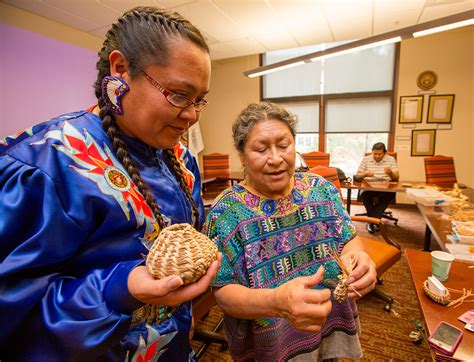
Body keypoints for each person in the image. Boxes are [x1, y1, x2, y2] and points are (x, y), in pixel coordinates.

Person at [0, 6, 222, 361]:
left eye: (200, 100)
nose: (193, 115)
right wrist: (120, 288)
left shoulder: (182, 160)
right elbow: (12, 319)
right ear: (121, 70)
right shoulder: (48, 164)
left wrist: (183, 319)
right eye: (179, 94)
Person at [203, 102, 377, 361]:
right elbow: (223, 291)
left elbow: (349, 239)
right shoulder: (226, 212)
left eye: (284, 146)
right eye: (261, 149)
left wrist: (361, 260)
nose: (276, 159)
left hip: (328, 322)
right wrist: (276, 301)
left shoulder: (321, 189)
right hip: (273, 342)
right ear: (242, 156)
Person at [356, 142, 399, 233]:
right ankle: (376, 221)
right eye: (375, 154)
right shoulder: (366, 159)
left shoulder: (391, 159)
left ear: (385, 153)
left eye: (380, 154)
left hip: (386, 185)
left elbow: (396, 177)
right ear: (372, 152)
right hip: (369, 185)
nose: (377, 156)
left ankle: (371, 221)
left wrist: (390, 173)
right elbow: (358, 175)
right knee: (364, 194)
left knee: (390, 194)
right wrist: (366, 174)